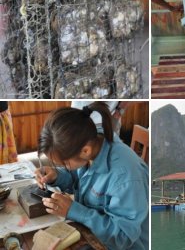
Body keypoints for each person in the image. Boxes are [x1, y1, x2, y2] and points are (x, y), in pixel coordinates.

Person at [35, 102, 149, 250]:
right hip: (92, 234)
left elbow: (122, 238)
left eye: (65, 164)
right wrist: (57, 176)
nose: (65, 168)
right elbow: (80, 178)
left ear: (85, 151)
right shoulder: (91, 139)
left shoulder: (125, 177)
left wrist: (75, 211)